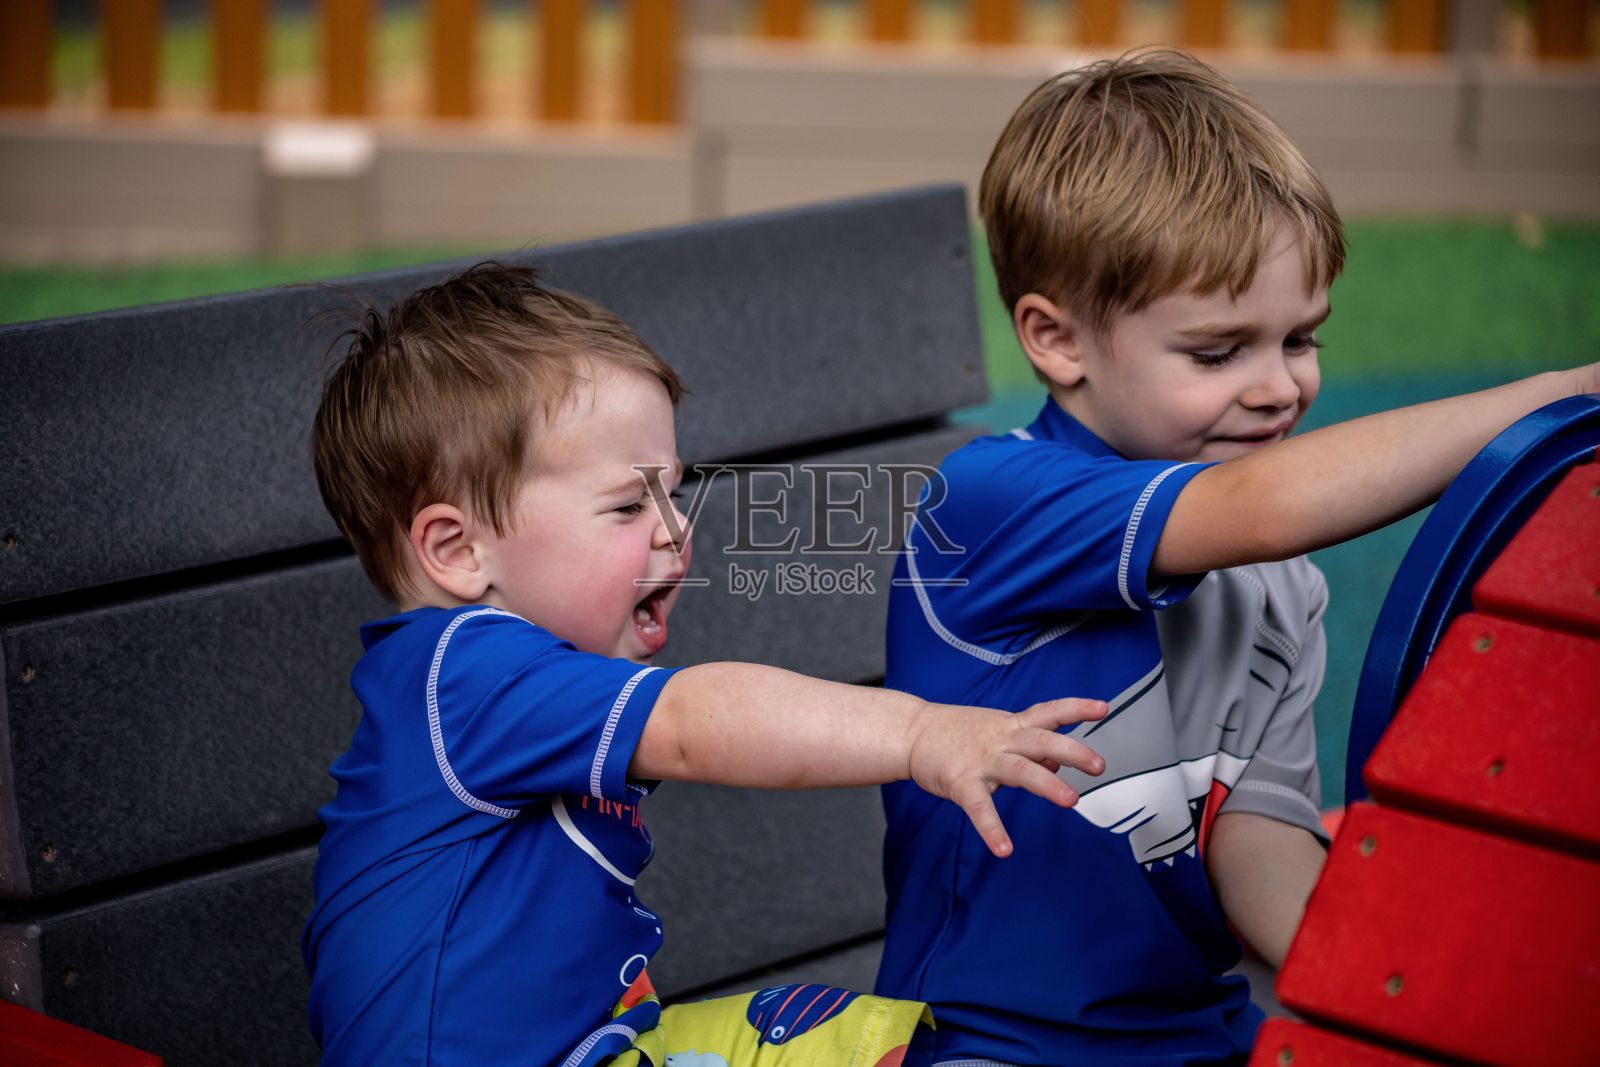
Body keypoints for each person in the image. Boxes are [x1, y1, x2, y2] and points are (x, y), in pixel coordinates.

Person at [874, 48, 1600, 1066]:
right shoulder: (992, 503)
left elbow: (1248, 829)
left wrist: (1388, 989)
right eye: (1218, 351)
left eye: (1300, 338)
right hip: (990, 1038)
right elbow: (1262, 506)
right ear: (1056, 338)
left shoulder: (1277, 584)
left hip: (1193, 1033)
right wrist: (1565, 392)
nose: (1278, 387)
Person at [298, 262, 1110, 1067]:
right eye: (627, 504)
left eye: (673, 494)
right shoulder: (461, 670)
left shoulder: (495, 684)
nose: (674, 530)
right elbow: (694, 719)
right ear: (457, 549)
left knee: (841, 1034)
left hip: (598, 1048)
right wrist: (922, 731)